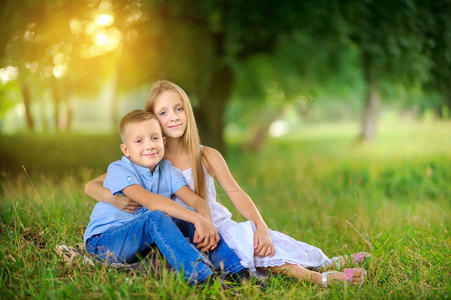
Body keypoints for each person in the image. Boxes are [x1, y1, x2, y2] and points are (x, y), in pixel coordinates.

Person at [86, 80, 370, 287]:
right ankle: (319, 278)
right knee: (249, 249)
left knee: (262, 241)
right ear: (150, 119)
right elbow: (93, 186)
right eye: (162, 113)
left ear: (188, 112)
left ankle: (328, 262)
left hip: (210, 227)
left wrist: (259, 226)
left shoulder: (205, 155)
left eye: (178, 109)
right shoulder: (144, 159)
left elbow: (234, 192)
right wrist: (115, 199)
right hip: (182, 232)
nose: (172, 117)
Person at [84, 109, 252, 286]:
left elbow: (195, 201)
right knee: (157, 217)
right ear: (126, 150)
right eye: (139, 141)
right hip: (105, 244)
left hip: (140, 241)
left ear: (163, 142)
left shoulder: (167, 170)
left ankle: (238, 272)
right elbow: (151, 201)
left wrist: (206, 222)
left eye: (154, 138)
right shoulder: (119, 169)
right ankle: (202, 278)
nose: (149, 145)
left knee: (184, 214)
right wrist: (197, 218)